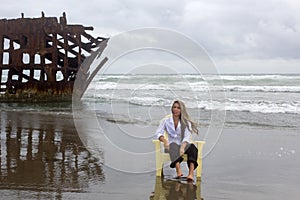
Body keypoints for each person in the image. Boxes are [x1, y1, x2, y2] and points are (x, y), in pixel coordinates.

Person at [155, 100, 199, 181]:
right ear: (172, 109)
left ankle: (191, 174)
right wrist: (165, 141)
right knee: (173, 145)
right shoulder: (166, 121)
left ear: (182, 110)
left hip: (184, 145)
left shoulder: (186, 122)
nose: (176, 109)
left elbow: (187, 136)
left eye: (178, 108)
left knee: (193, 148)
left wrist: (182, 147)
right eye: (174, 107)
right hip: (171, 146)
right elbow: (158, 133)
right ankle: (179, 171)